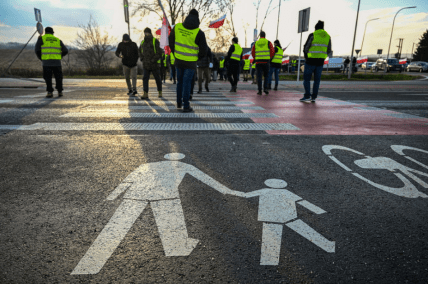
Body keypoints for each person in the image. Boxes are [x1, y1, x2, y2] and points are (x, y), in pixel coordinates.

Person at [169, 9, 208, 112]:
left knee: (179, 82)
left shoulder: (177, 27)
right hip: (191, 62)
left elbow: (171, 41)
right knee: (187, 82)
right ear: (197, 19)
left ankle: (178, 103)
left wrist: (175, 53)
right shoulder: (199, 33)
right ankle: (186, 105)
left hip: (178, 60)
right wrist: (197, 57)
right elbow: (204, 50)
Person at [300, 20, 332, 103]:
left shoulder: (312, 35)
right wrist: (322, 57)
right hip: (320, 62)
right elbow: (329, 50)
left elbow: (306, 47)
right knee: (317, 81)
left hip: (310, 61)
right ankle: (314, 97)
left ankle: (307, 96)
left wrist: (306, 58)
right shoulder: (328, 36)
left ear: (316, 28)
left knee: (306, 79)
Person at [35, 27, 68, 98]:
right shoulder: (58, 40)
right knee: (58, 77)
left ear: (45, 32)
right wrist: (59, 56)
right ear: (53, 32)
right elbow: (65, 50)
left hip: (46, 62)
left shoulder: (41, 39)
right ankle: (60, 92)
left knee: (48, 78)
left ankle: (50, 92)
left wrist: (41, 58)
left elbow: (37, 50)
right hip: (57, 62)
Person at [139, 27, 163, 99]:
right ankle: (145, 93)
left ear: (150, 33)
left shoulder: (155, 41)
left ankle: (160, 92)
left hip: (154, 64)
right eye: (145, 33)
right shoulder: (143, 42)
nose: (146, 34)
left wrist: (153, 60)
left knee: (157, 78)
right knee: (145, 79)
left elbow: (159, 52)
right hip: (146, 64)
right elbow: (139, 51)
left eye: (147, 33)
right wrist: (142, 58)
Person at [251, 31, 275, 95]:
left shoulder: (256, 43)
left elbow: (253, 52)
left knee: (259, 76)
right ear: (265, 35)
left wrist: (256, 58)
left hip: (258, 62)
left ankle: (259, 90)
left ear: (260, 36)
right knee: (266, 76)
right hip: (266, 62)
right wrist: (269, 57)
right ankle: (265, 89)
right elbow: (272, 51)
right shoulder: (268, 42)